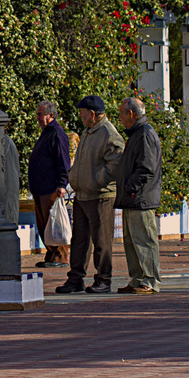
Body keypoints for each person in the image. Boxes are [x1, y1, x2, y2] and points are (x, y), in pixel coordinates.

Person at [56, 95, 123, 294]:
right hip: (82, 195)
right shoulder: (88, 131)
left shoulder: (108, 133)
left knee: (102, 241)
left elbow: (116, 165)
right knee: (79, 240)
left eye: (82, 112)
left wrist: (95, 181)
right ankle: (75, 279)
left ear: (92, 114)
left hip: (100, 196)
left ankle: (103, 280)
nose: (80, 115)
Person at [115, 96, 163, 294]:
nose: (119, 118)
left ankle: (149, 280)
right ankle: (137, 278)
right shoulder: (137, 133)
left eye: (121, 114)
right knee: (132, 240)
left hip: (140, 198)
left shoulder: (144, 134)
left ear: (131, 114)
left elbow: (146, 168)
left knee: (144, 239)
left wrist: (130, 187)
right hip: (133, 198)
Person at [28, 100, 71, 268]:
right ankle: (52, 254)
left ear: (50, 115)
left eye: (40, 114)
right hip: (40, 188)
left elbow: (62, 160)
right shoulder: (47, 133)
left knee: (53, 223)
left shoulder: (56, 134)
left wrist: (62, 184)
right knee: (45, 224)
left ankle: (60, 255)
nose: (38, 118)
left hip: (50, 187)